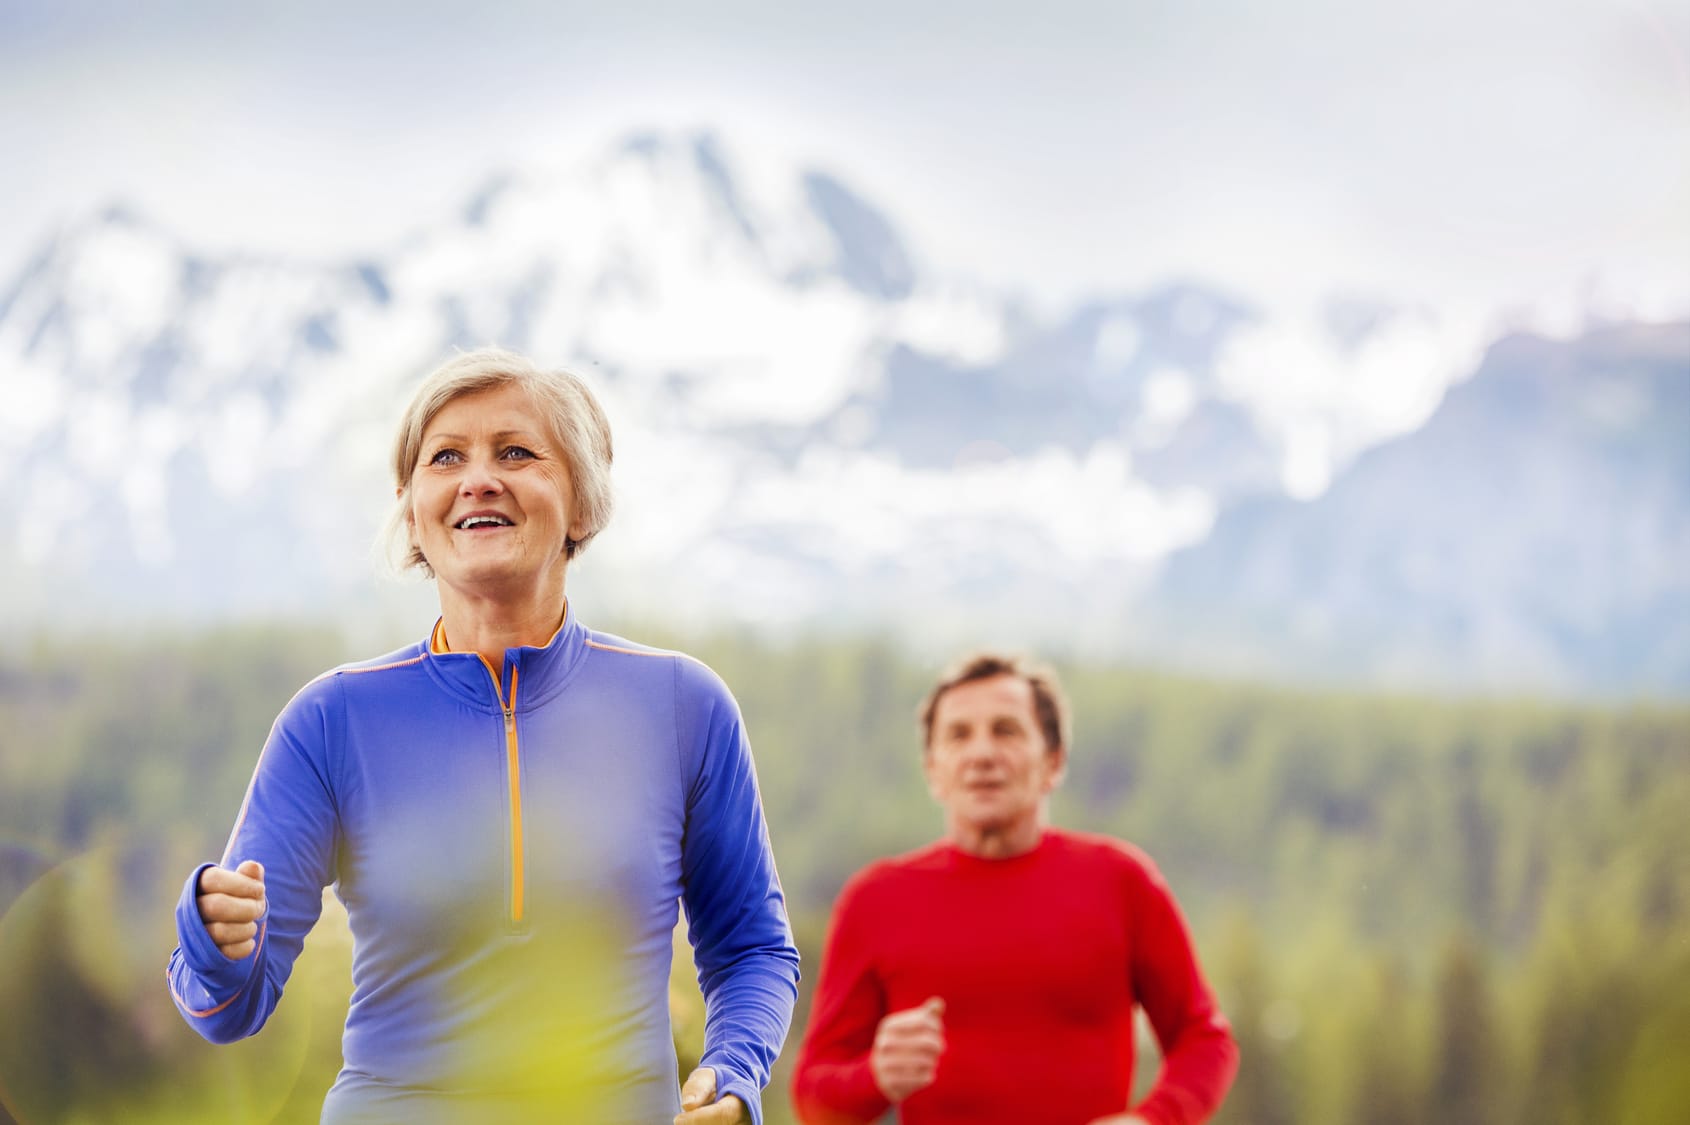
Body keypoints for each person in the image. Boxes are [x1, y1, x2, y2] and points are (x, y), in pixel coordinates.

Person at [166, 346, 800, 1125]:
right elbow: (229, 1009)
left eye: (515, 452)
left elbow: (752, 950)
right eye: (446, 457)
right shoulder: (330, 718)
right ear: (412, 510)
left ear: (582, 503)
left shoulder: (684, 702)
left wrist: (732, 1074)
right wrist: (213, 935)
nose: (478, 478)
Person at [790, 654, 1238, 1125]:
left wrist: (1153, 1120)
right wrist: (875, 1076)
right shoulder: (875, 900)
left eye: (1006, 730)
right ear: (933, 770)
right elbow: (813, 1099)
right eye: (959, 735)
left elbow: (1204, 1039)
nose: (982, 753)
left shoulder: (1122, 880)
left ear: (1053, 761)